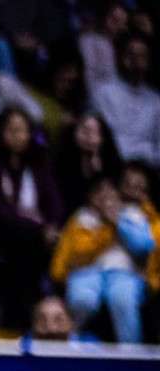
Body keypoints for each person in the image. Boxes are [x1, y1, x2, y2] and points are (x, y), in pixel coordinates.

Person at [0, 106, 65, 328]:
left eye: (23, 130)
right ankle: (17, 321)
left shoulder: (39, 162)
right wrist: (38, 230)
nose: (18, 136)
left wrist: (52, 226)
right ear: (1, 132)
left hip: (37, 241)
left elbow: (54, 203)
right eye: (12, 130)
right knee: (18, 250)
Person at [52, 172, 156, 344]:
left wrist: (119, 223)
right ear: (90, 197)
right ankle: (71, 341)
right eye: (98, 192)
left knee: (122, 299)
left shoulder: (133, 214)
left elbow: (143, 247)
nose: (104, 197)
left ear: (119, 194)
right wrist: (105, 231)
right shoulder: (82, 218)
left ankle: (130, 350)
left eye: (109, 192)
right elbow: (78, 253)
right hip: (86, 271)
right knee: (82, 299)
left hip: (124, 273)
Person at [91, 32, 160, 166]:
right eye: (131, 54)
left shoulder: (156, 101)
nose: (136, 60)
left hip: (147, 167)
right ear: (122, 57)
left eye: (142, 55)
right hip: (111, 164)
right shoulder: (104, 93)